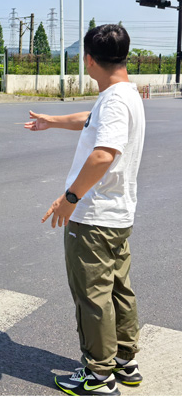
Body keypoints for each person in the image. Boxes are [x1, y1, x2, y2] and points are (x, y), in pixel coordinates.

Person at [25, 24, 145, 396]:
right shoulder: (126, 94)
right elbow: (90, 120)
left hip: (94, 217)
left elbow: (103, 154)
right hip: (117, 215)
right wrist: (51, 121)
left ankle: (98, 374)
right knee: (119, 290)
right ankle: (124, 361)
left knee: (93, 296)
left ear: (89, 60)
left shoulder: (113, 100)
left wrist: (70, 198)